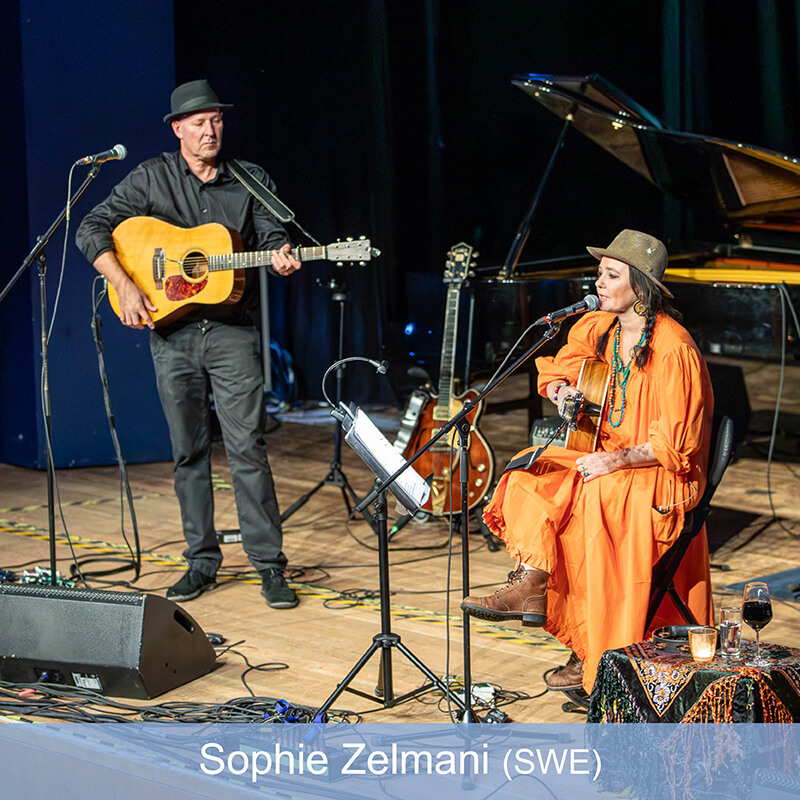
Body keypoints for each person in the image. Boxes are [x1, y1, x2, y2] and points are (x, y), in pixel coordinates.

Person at [76, 79, 301, 609]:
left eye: (216, 120)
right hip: (171, 333)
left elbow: (273, 238)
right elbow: (92, 227)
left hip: (232, 332)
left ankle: (269, 566)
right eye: (198, 123)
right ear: (177, 129)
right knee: (188, 452)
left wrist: (283, 255)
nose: (209, 130)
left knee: (248, 447)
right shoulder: (150, 177)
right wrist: (125, 284)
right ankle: (201, 563)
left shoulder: (250, 179)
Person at [461, 229, 714, 694]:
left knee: (589, 498)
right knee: (528, 471)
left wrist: (615, 460)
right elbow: (558, 367)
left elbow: (676, 445)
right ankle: (532, 584)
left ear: (641, 287)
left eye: (611, 275)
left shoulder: (673, 349)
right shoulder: (599, 328)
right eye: (599, 273)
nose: (599, 283)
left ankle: (593, 654)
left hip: (658, 475)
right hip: (604, 457)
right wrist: (562, 393)